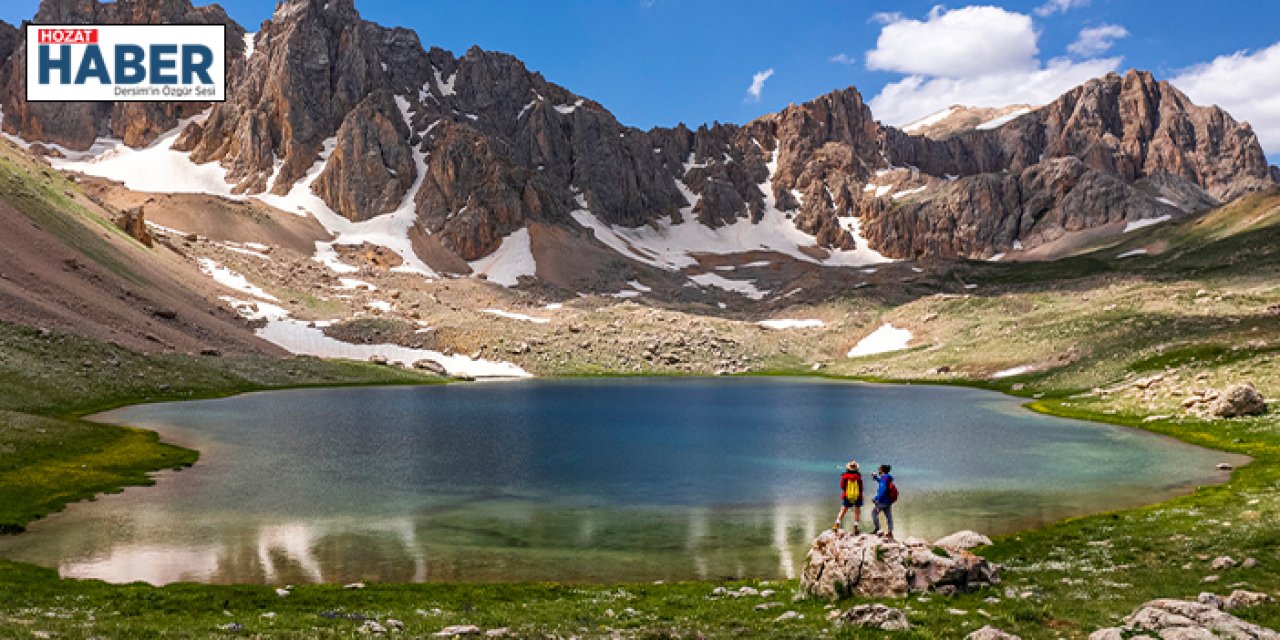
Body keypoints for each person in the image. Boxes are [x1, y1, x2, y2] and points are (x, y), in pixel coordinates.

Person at [833, 460, 863, 532]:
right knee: (857, 511)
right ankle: (855, 527)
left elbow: (842, 486)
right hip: (857, 496)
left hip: (847, 495)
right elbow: (861, 488)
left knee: (843, 510)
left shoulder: (845, 477)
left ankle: (836, 524)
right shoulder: (858, 477)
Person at [871, 464, 897, 539]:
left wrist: (876, 498)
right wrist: (876, 478)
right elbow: (882, 481)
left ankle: (877, 528)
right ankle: (890, 532)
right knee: (889, 516)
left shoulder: (884, 479)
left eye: (879, 469)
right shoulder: (887, 477)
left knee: (874, 513)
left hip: (882, 501)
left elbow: (883, 489)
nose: (878, 470)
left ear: (882, 470)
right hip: (888, 501)